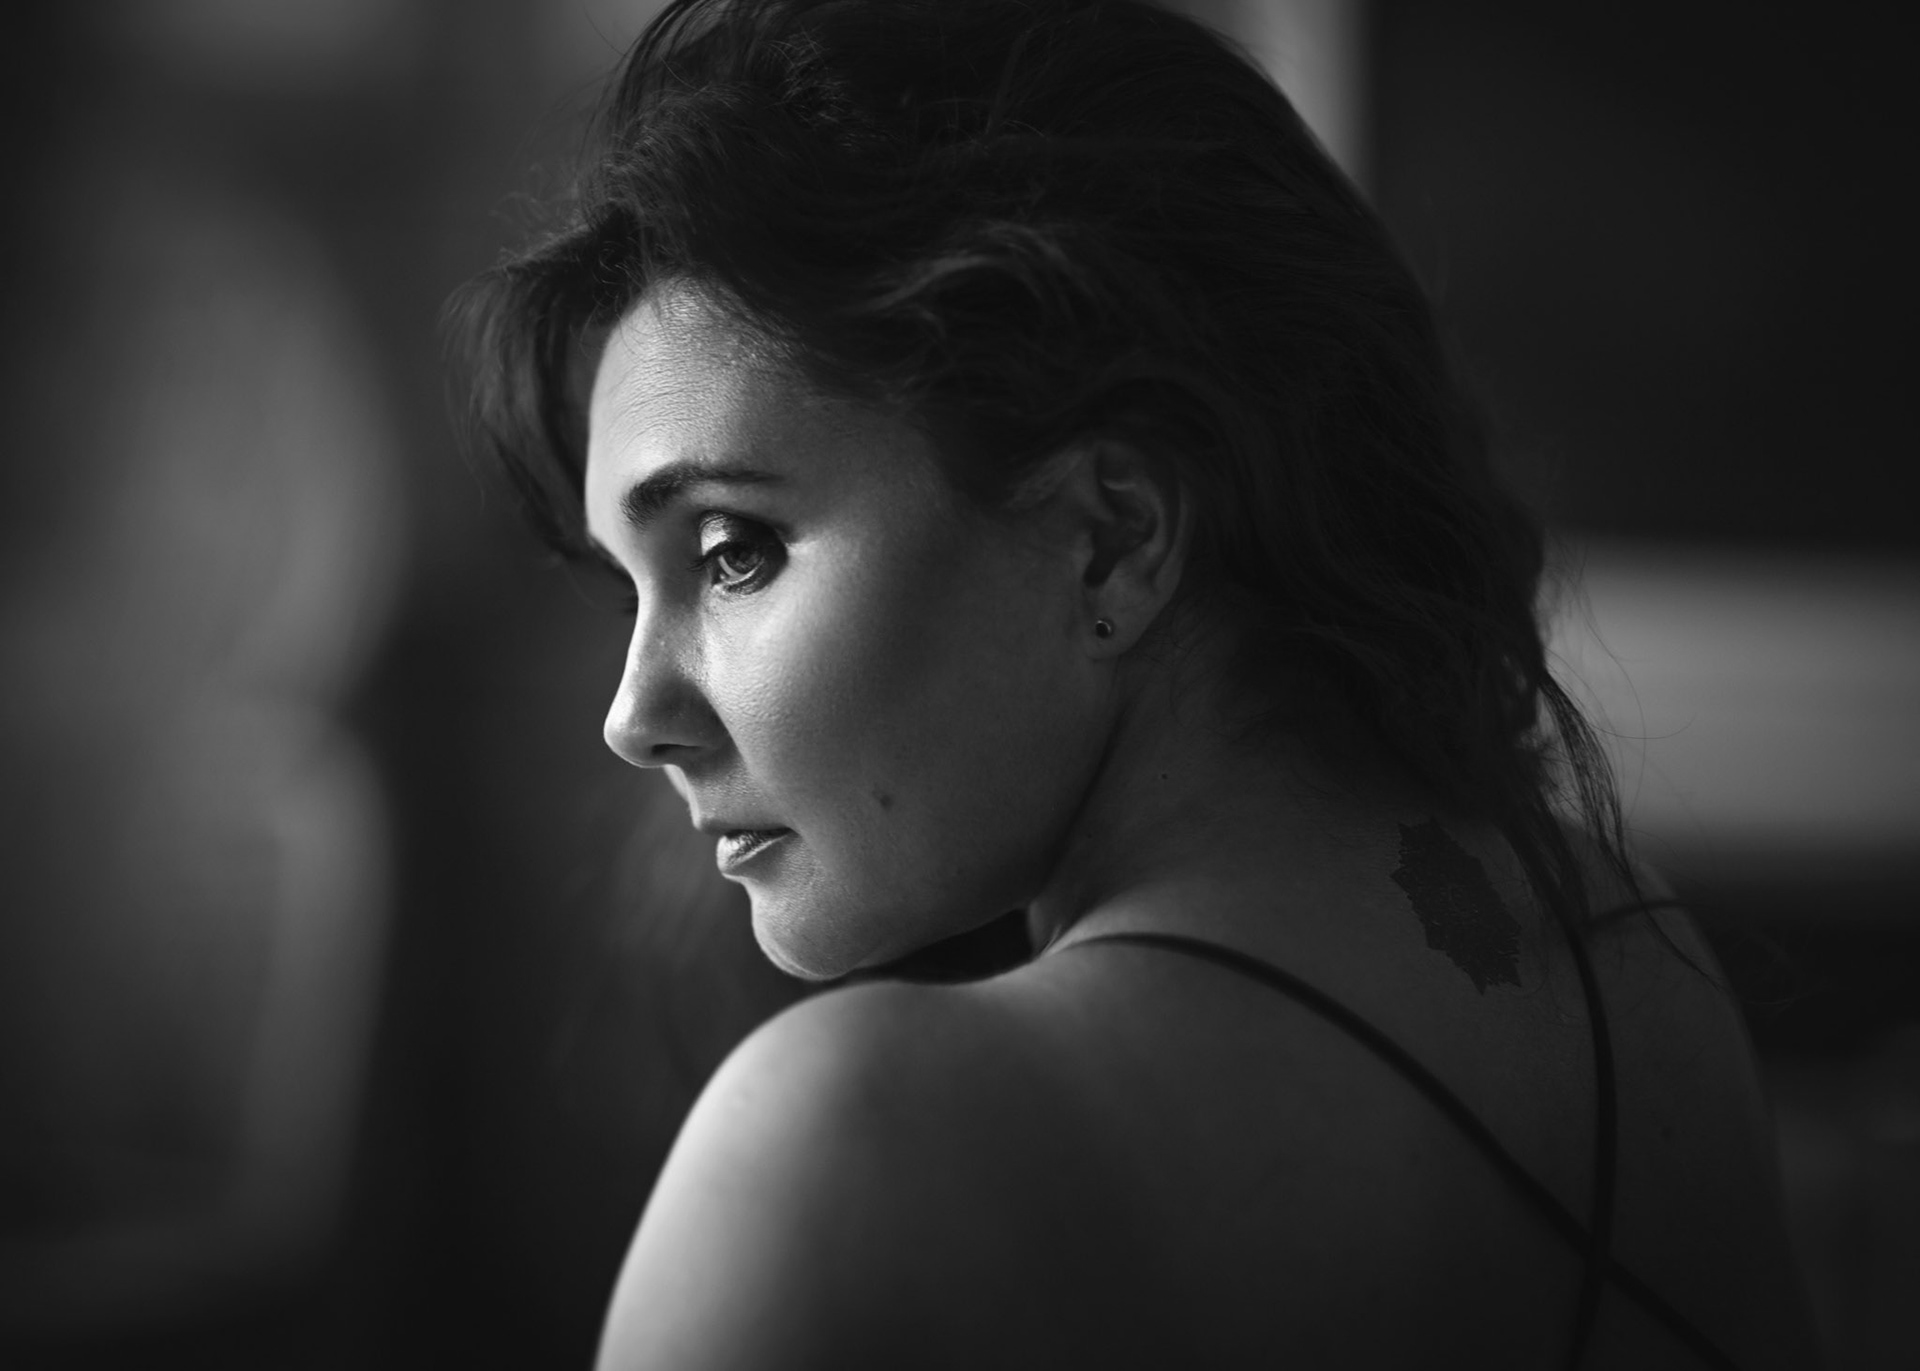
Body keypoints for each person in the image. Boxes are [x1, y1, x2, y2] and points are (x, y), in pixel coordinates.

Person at [457, 1, 1818, 1365]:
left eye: (732, 554)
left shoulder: (846, 1149)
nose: (633, 718)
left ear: (1111, 538)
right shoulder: (1631, 975)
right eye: (631, 590)